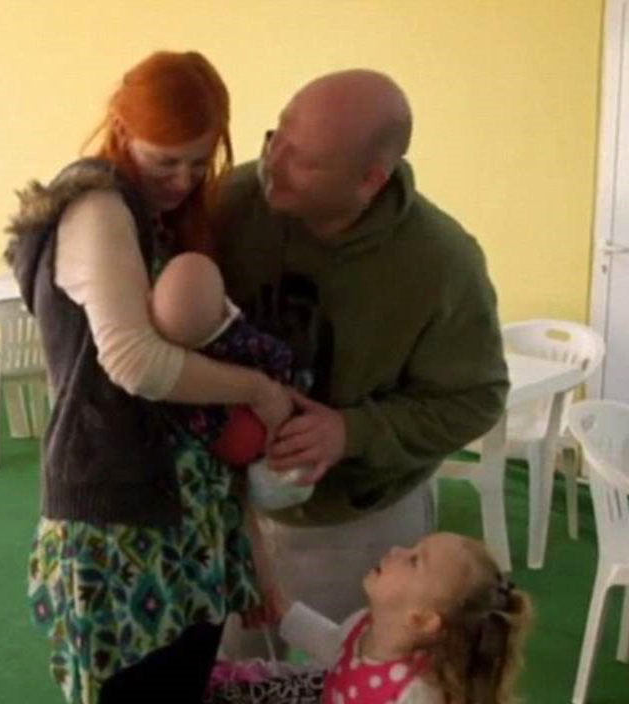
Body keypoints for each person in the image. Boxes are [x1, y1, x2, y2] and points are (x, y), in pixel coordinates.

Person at [4, 50, 292, 704]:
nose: (185, 179)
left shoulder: (157, 215)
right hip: (119, 522)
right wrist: (258, 390)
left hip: (186, 518)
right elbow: (134, 363)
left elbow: (194, 422)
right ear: (122, 129)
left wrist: (246, 541)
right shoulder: (97, 205)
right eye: (166, 161)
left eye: (201, 160)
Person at [216, 69, 510, 656]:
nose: (273, 163)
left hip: (357, 525)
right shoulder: (230, 204)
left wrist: (350, 431)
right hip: (225, 508)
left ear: (370, 180)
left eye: (305, 162)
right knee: (221, 676)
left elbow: (477, 397)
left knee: (355, 680)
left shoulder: (442, 262)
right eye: (276, 138)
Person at [204, 532, 532, 704]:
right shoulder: (363, 626)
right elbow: (333, 644)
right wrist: (284, 613)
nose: (396, 550)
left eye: (414, 561)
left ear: (422, 618)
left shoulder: (420, 697)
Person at [149, 250, 314, 510]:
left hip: (235, 447)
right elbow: (284, 367)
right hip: (249, 445)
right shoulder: (249, 342)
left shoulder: (189, 359)